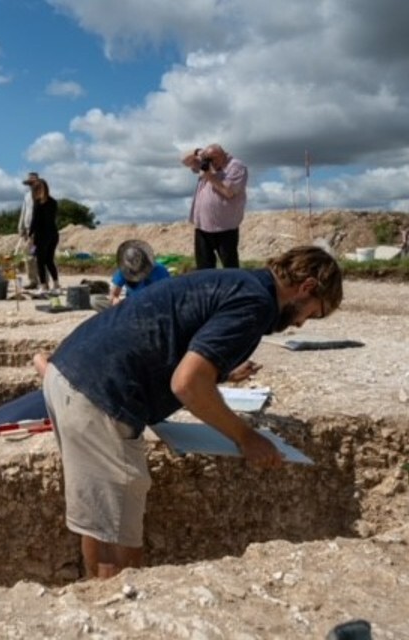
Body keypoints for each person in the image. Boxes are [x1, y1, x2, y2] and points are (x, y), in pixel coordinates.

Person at [40, 245, 343, 579]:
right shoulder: (256, 303)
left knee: (101, 522)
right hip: (100, 393)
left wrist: (222, 373)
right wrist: (246, 437)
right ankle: (115, 615)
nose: (301, 323)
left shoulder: (240, 282)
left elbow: (177, 339)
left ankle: (99, 605)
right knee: (116, 540)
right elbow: (188, 384)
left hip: (69, 372)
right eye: (313, 313)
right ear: (308, 288)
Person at [182, 143, 248, 270]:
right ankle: (207, 288)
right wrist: (197, 152)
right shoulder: (206, 163)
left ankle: (232, 288)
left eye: (213, 159)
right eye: (208, 159)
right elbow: (184, 160)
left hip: (225, 227)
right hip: (202, 226)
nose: (210, 162)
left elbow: (228, 192)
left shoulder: (236, 166)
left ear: (221, 155)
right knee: (204, 267)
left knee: (230, 267)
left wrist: (210, 176)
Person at [91, 239, 171, 311]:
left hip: (152, 307)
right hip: (130, 307)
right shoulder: (124, 270)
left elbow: (167, 295)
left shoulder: (160, 270)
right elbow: (114, 295)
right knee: (95, 300)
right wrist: (116, 300)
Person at [29, 178, 60, 292]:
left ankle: (43, 286)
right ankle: (56, 284)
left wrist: (30, 234)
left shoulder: (37, 203)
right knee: (49, 261)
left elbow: (35, 221)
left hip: (41, 236)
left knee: (40, 262)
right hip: (53, 234)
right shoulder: (54, 202)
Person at [17, 172, 41, 288]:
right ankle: (32, 281)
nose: (31, 185)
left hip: (40, 230)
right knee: (29, 256)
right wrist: (21, 228)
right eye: (30, 183)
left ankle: (43, 281)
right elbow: (24, 212)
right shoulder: (27, 196)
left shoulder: (42, 194)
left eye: (33, 182)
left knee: (40, 256)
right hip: (28, 231)